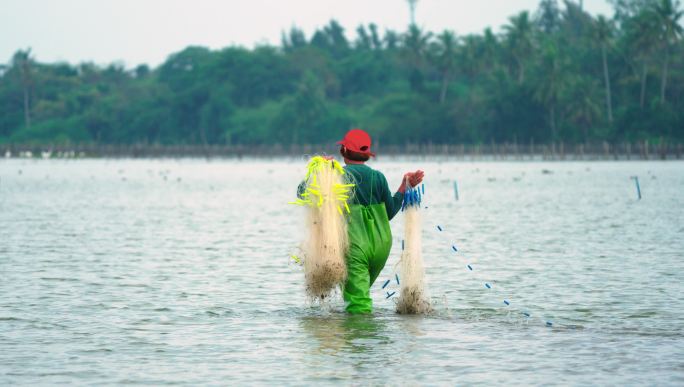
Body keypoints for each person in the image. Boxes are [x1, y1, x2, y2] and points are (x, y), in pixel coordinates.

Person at [332, 129, 423, 314]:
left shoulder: (336, 175)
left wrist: (320, 170)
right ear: (366, 154)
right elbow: (389, 212)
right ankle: (372, 339)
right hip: (381, 246)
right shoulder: (378, 177)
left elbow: (302, 192)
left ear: (343, 151)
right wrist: (405, 186)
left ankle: (362, 339)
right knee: (355, 293)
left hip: (355, 245)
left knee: (358, 305)